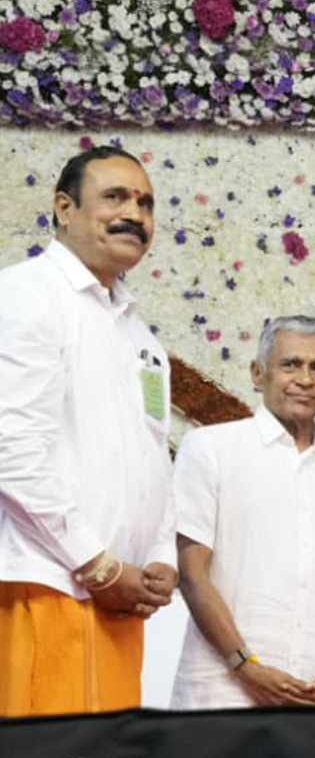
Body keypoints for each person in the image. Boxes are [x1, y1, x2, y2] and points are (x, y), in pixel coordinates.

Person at [0, 145, 177, 715]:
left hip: (117, 601)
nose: (135, 214)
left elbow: (155, 462)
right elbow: (12, 451)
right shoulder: (26, 295)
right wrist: (96, 564)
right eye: (116, 197)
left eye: (146, 203)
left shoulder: (140, 338)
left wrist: (159, 560)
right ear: (64, 208)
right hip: (48, 585)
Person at [169, 316, 315, 708]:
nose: (305, 379)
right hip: (223, 689)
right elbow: (192, 574)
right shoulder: (210, 449)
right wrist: (245, 665)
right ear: (258, 373)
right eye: (291, 364)